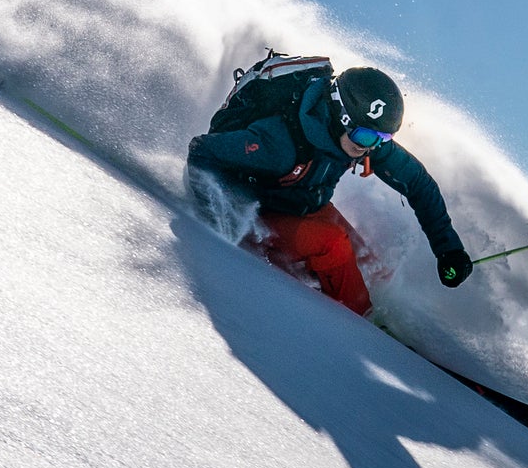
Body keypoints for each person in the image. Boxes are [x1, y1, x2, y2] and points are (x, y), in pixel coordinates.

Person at [187, 62, 472, 318]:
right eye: (366, 135)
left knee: (372, 267)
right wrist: (213, 229)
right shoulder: (278, 144)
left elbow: (418, 183)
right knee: (333, 246)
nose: (370, 146)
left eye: (383, 138)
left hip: (304, 203)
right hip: (261, 213)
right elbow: (203, 151)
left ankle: (378, 316)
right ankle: (367, 331)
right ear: (342, 116)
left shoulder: (363, 140)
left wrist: (448, 249)